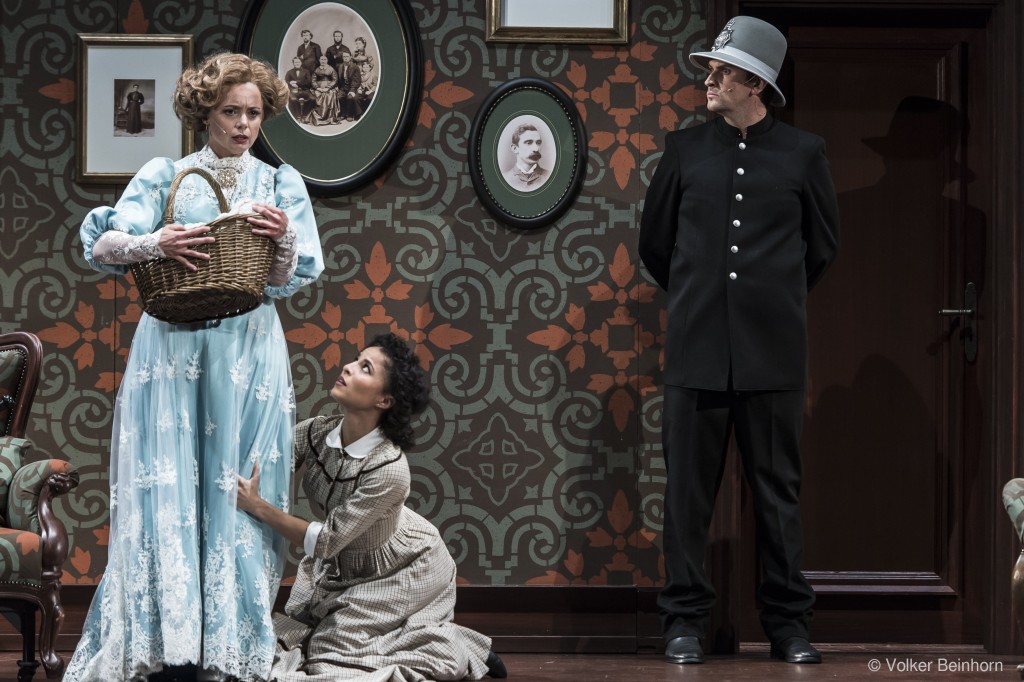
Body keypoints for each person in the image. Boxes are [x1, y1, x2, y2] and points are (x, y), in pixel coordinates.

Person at [67, 52, 326, 682]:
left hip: (247, 348)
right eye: (230, 111)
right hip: (173, 348)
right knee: (169, 484)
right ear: (204, 113)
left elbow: (288, 279)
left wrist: (282, 237)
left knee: (240, 485)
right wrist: (154, 241)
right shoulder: (167, 175)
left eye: (254, 113)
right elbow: (103, 243)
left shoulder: (280, 184)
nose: (243, 125)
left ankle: (229, 646)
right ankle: (166, 641)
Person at [638, 16, 840, 666]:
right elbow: (656, 245)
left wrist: (769, 303)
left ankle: (788, 626)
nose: (710, 80)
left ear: (755, 83)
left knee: (777, 499)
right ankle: (683, 623)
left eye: (723, 71)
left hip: (772, 355)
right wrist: (702, 299)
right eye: (712, 69)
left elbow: (822, 249)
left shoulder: (803, 154)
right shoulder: (684, 150)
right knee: (686, 499)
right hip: (695, 349)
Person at [235, 333, 508, 682]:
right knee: (303, 639)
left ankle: (460, 646)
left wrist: (258, 506)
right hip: (345, 562)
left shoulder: (390, 469)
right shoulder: (318, 433)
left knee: (329, 657)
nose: (348, 367)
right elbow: (267, 458)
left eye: (365, 368)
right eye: (355, 359)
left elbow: (326, 541)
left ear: (384, 399)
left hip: (403, 565)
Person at [501, 124, 548, 191]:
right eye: (529, 143)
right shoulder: (504, 179)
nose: (536, 149)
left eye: (538, 143)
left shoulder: (550, 177)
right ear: (515, 148)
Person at [311, 54, 341, 126]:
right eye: (321, 59)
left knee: (330, 94)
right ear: (319, 60)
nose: (323, 61)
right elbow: (313, 80)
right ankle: (319, 117)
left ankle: (329, 117)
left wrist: (328, 87)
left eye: (325, 59)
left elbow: (335, 79)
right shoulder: (316, 69)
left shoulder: (331, 69)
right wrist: (318, 88)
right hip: (319, 87)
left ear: (327, 60)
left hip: (330, 87)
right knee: (318, 94)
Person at [284, 56, 315, 124]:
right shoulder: (289, 72)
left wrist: (297, 82)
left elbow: (309, 82)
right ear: (293, 63)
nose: (297, 63)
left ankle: (305, 116)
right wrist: (290, 83)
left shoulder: (306, 71)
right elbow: (285, 82)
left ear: (301, 63)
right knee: (293, 99)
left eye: (298, 62)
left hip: (304, 90)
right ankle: (297, 116)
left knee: (312, 99)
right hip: (294, 91)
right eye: (295, 62)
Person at [335, 50, 363, 122]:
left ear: (350, 57)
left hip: (353, 87)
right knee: (340, 97)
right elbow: (338, 79)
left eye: (347, 56)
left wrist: (352, 90)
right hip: (343, 87)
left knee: (350, 97)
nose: (345, 58)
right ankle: (343, 114)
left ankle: (350, 114)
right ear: (342, 57)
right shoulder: (340, 66)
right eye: (344, 56)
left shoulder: (355, 67)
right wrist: (338, 87)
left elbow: (357, 81)